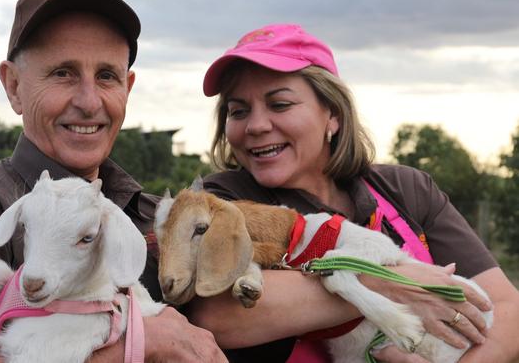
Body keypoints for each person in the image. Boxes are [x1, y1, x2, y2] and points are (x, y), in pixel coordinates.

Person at [0, 0, 227, 362]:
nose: (89, 102)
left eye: (107, 75)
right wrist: (140, 342)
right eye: (62, 73)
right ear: (13, 86)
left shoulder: (155, 213)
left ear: (128, 87)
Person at [188, 23, 519, 362]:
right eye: (238, 111)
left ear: (332, 114)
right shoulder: (222, 201)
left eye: (280, 104)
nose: (255, 125)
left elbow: (509, 311)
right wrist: (387, 281)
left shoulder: (405, 189)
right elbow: (218, 315)